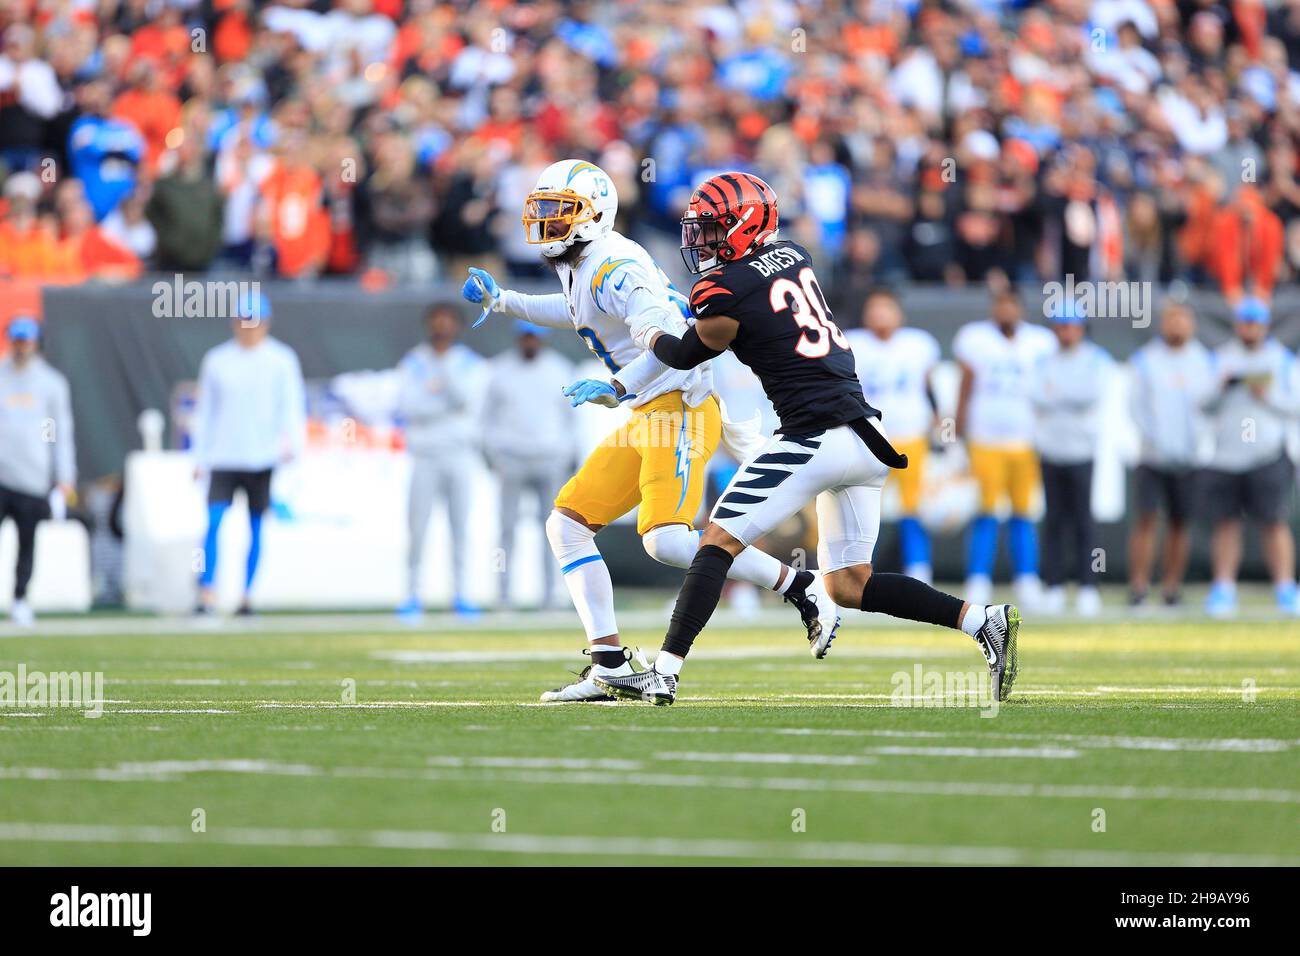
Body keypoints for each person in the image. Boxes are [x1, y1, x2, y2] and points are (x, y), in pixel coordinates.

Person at [580, 172, 1018, 706]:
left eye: (713, 231)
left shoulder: (724, 290)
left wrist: (646, 335)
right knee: (849, 584)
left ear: (744, 225)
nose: (703, 243)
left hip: (814, 438)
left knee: (716, 543)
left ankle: (664, 671)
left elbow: (686, 353)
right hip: (867, 437)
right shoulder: (793, 254)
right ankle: (981, 620)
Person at [463, 159, 838, 703]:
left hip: (679, 408)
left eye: (557, 212)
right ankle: (611, 664)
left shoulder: (616, 266)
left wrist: (617, 385)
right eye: (541, 211)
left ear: (593, 216)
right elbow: (575, 311)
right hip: (647, 413)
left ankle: (802, 586)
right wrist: (503, 301)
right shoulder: (585, 262)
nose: (545, 223)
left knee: (665, 539)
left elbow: (675, 346)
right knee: (566, 525)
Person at [192, 293, 305, 615]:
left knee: (256, 527)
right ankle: (207, 592)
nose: (249, 329)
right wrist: (200, 457)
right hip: (224, 456)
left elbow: (292, 407)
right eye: (244, 321)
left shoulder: (282, 359)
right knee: (213, 523)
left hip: (261, 458)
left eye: (255, 322)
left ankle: (246, 596)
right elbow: (206, 413)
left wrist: (294, 448)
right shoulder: (217, 360)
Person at [953, 289, 1057, 607]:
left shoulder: (1040, 342)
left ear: (1021, 309)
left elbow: (1050, 388)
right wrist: (956, 432)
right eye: (1001, 304)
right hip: (985, 438)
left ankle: (1027, 578)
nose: (1006, 310)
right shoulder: (975, 338)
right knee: (985, 511)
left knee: (1023, 512)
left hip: (1026, 439)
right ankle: (978, 578)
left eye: (1012, 304)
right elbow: (966, 386)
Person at [1200, 297, 1300, 616]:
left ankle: (1285, 588)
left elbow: (1294, 405)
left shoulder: (1281, 360)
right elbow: (1201, 402)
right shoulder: (1221, 359)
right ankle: (1223, 588)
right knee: (1226, 524)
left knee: (1273, 523)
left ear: (1265, 325)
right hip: (1227, 455)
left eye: (1255, 323)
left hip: (1267, 453)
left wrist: (1265, 395)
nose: (1249, 329)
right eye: (1245, 322)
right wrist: (1224, 386)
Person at [847, 287, 941, 581]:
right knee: (861, 509)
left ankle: (920, 570)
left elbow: (928, 387)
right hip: (869, 439)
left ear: (898, 313)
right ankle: (857, 573)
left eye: (886, 307)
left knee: (914, 508)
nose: (880, 314)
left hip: (911, 435)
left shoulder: (918, 344)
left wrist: (940, 423)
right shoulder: (854, 342)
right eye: (874, 308)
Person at [397, 303, 485, 618]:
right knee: (417, 528)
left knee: (460, 528)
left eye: (447, 323)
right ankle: (411, 595)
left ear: (458, 327)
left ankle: (461, 594)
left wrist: (440, 388)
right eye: (436, 322)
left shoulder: (470, 364)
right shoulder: (413, 362)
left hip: (460, 454)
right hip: (424, 455)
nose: (441, 328)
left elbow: (468, 400)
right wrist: (442, 403)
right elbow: (409, 406)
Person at [1126, 302, 1214, 607]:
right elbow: (1135, 406)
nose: (1176, 325)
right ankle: (1138, 586)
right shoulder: (1146, 360)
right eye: (1171, 318)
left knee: (1180, 521)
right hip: (1152, 456)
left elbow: (1210, 406)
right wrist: (1154, 438)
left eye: (1182, 319)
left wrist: (1198, 440)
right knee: (1147, 519)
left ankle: (1171, 587)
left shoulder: (1204, 361)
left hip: (1190, 457)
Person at [481, 321, 574, 608]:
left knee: (554, 530)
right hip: (512, 458)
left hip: (549, 458)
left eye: (534, 337)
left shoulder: (561, 369)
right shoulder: (500, 370)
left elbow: (572, 420)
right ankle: (503, 594)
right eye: (525, 337)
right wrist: (494, 453)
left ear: (543, 339)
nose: (530, 342)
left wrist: (566, 454)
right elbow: (486, 417)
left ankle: (551, 594)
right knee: (506, 529)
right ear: (518, 338)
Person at [1030, 302, 1114, 616]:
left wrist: (1057, 394)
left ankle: (1088, 586)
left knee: (1083, 520)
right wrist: (1063, 394)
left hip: (1082, 451)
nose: (1066, 331)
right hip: (1051, 449)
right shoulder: (1042, 361)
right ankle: (1053, 585)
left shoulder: (1096, 359)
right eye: (1061, 325)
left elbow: (1088, 395)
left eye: (1071, 325)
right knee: (1054, 520)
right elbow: (1036, 394)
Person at [0, 317, 75, 626]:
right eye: (17, 340)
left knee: (27, 542)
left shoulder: (51, 383)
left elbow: (60, 431)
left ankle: (20, 598)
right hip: (1, 474)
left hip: (33, 476)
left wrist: (65, 475)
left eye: (26, 340)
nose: (21, 347)